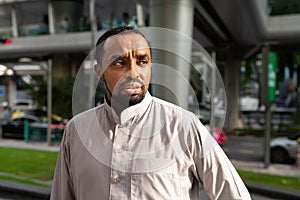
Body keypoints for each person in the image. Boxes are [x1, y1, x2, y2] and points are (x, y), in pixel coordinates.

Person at [50, 26, 251, 199]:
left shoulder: (184, 126)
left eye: (142, 61)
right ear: (99, 72)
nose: (134, 73)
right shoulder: (77, 130)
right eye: (120, 63)